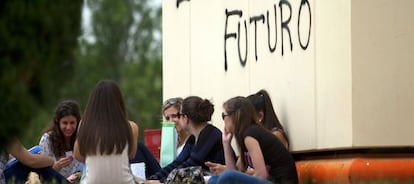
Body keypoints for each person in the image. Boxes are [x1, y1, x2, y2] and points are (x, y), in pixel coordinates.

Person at [208, 97, 298, 184]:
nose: (223, 120)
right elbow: (236, 172)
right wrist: (226, 143)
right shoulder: (245, 135)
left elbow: (261, 175)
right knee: (213, 180)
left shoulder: (250, 134)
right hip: (270, 181)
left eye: (224, 115)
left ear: (235, 116)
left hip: (280, 181)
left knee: (226, 176)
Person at [73, 79, 139, 184]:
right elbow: (131, 155)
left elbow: (79, 155)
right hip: (124, 182)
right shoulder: (131, 127)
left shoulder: (84, 125)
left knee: (87, 168)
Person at [148, 96, 227, 182]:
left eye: (178, 115)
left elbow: (191, 164)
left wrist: (161, 181)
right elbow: (177, 163)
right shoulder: (193, 138)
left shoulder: (211, 133)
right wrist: (152, 178)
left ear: (185, 118)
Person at [39, 100, 82, 183]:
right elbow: (42, 176)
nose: (69, 127)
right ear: (58, 123)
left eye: (72, 123)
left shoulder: (81, 138)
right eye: (65, 123)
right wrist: (57, 166)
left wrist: (78, 175)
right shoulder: (47, 140)